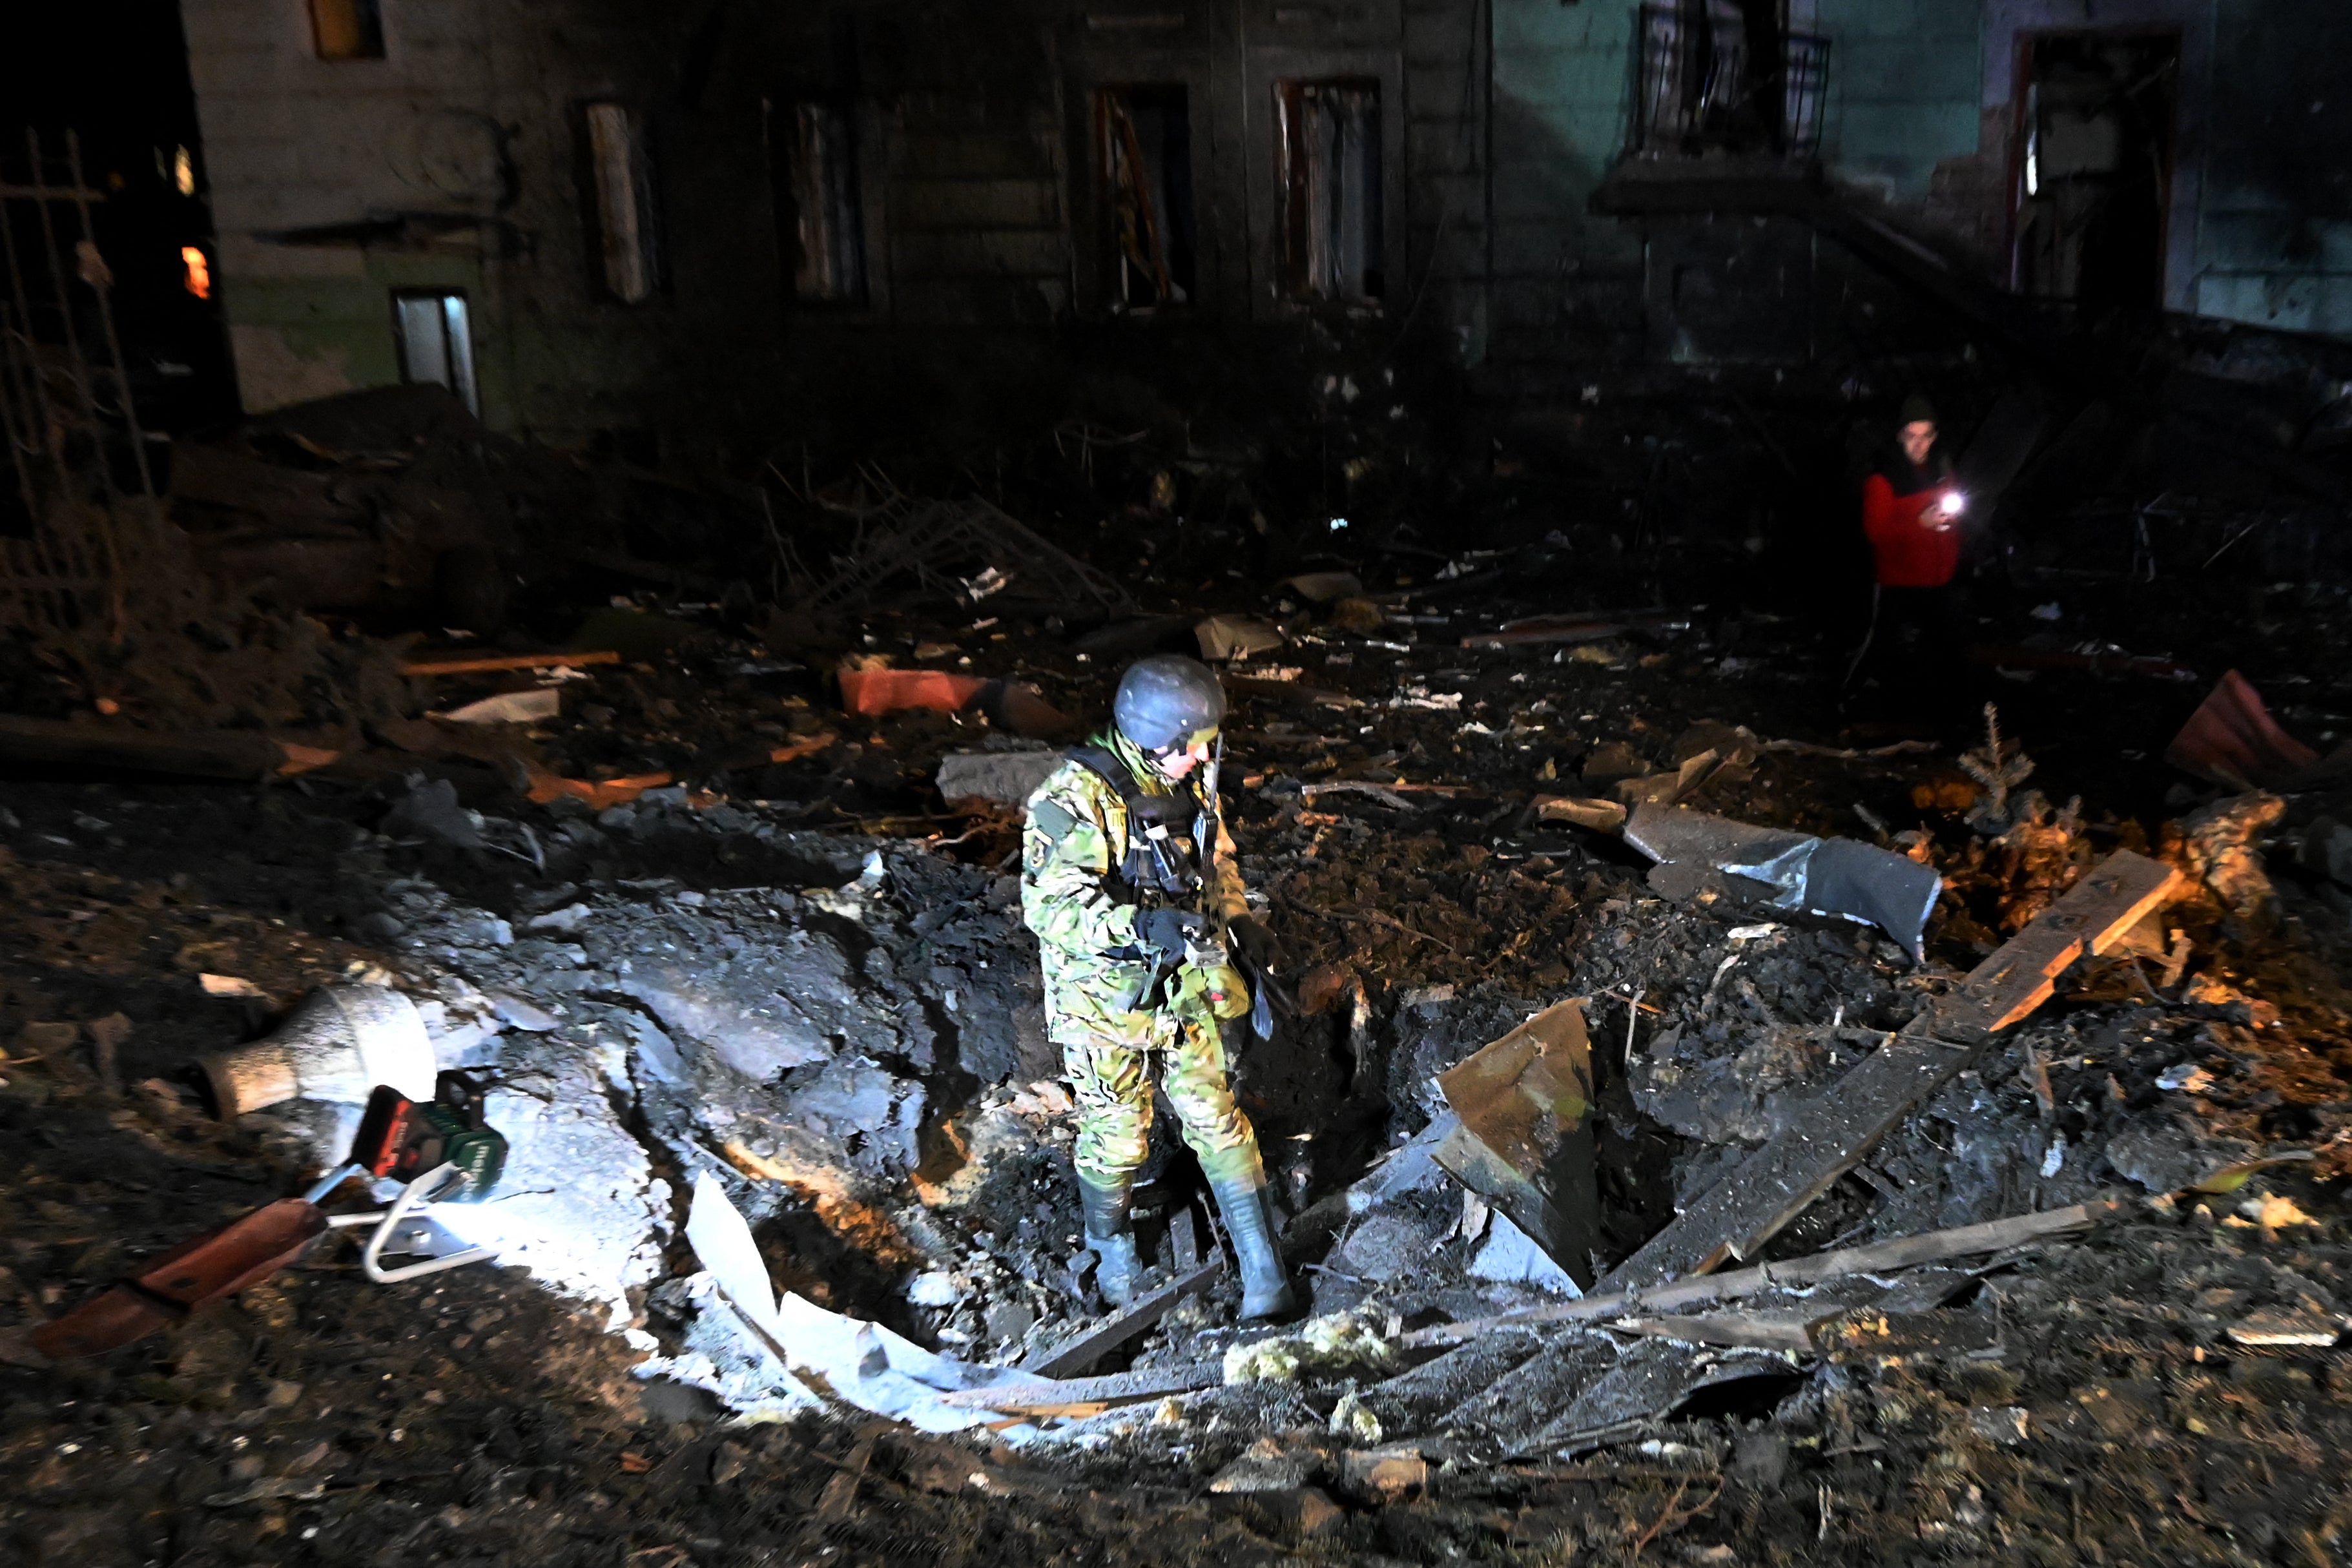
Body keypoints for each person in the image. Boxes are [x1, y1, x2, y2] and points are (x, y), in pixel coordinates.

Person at [1020, 655, 1295, 1319]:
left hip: (1186, 983)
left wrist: (1237, 918)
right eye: (1191, 748)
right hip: (1104, 997)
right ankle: (1109, 1245)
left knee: (1215, 1115)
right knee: (1119, 1134)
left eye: (1206, 747)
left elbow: (1212, 860)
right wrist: (1141, 926)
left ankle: (1264, 1269)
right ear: (1153, 739)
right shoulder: (1073, 798)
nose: (1201, 761)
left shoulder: (1190, 783)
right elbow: (1050, 911)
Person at [1850, 393, 1965, 693]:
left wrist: (1949, 540)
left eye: (1925, 435)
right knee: (1880, 649)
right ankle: (1848, 704)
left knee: (1944, 652)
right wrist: (1918, 523)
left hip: (1939, 582)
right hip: (1898, 586)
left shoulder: (1942, 470)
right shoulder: (1883, 478)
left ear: (1934, 435)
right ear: (1901, 435)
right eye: (1912, 436)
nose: (1919, 444)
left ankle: (1936, 715)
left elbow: (1953, 516)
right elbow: (1875, 532)